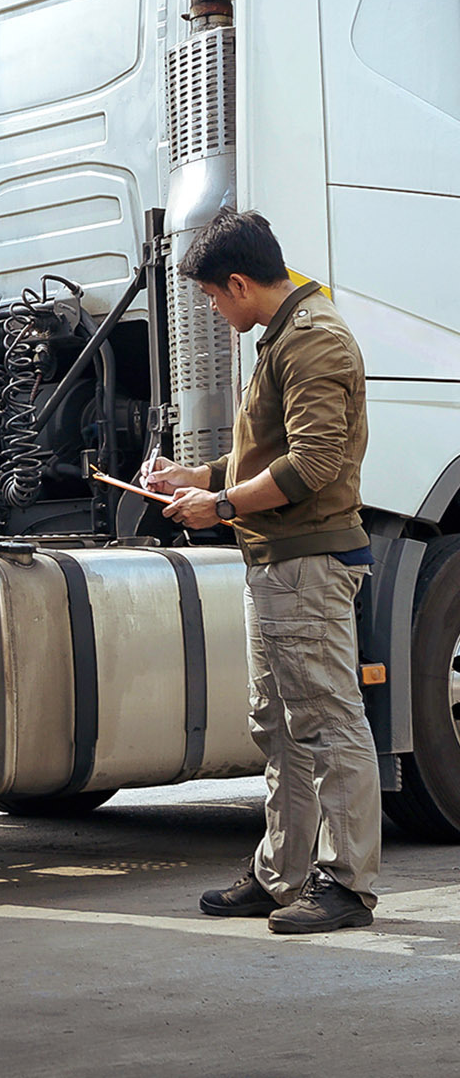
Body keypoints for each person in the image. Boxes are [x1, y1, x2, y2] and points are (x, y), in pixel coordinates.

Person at [141, 208, 377, 935]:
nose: (214, 309)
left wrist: (219, 503)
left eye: (214, 296)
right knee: (278, 724)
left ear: (239, 283)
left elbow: (312, 465)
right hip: (277, 560)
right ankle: (283, 874)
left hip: (306, 562)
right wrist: (200, 475)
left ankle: (347, 885)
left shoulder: (313, 342)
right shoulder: (282, 337)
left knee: (329, 721)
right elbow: (265, 456)